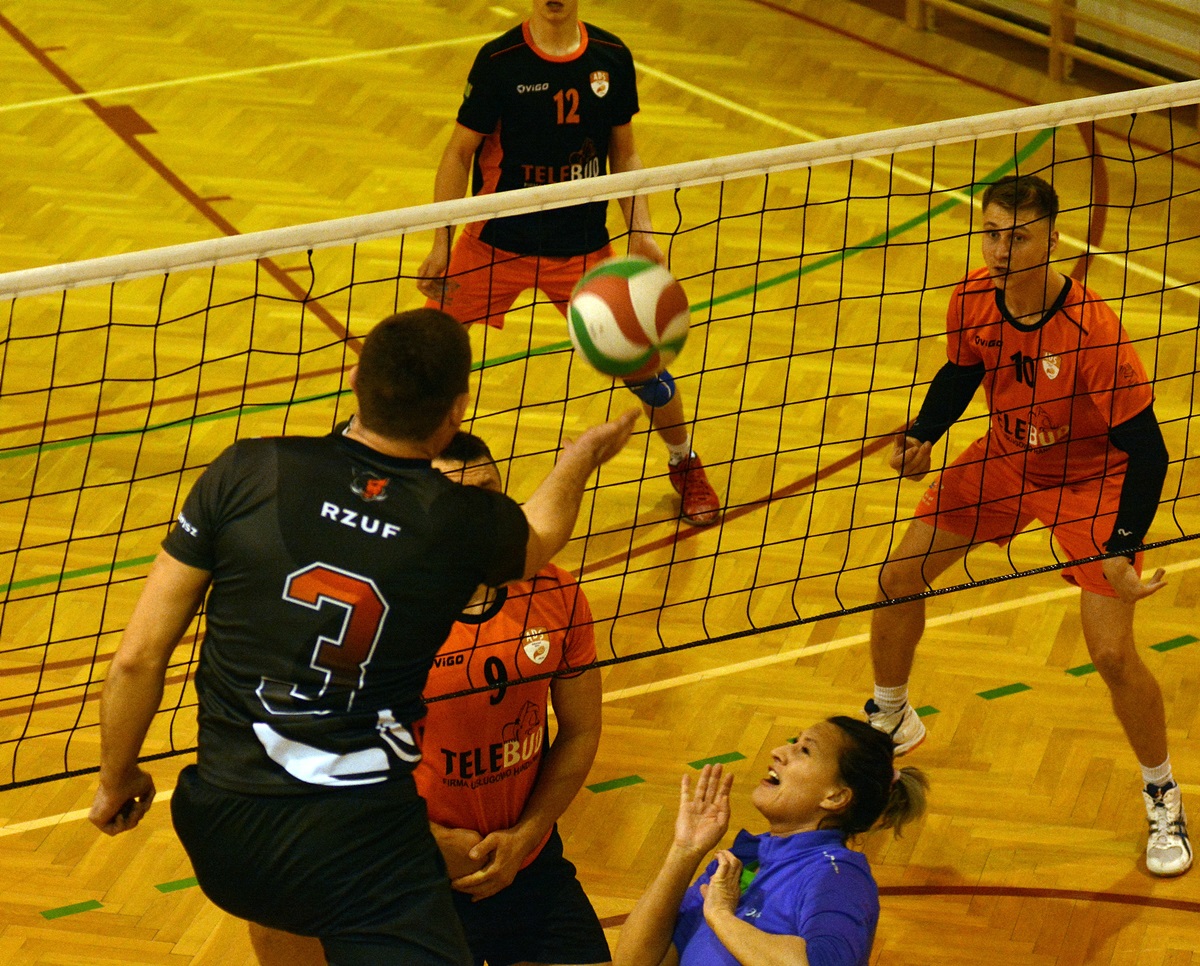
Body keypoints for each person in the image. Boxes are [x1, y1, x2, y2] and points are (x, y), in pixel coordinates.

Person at [88, 307, 638, 966]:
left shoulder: (248, 470)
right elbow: (541, 534)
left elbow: (136, 659)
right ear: (457, 408)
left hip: (223, 830)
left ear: (356, 380)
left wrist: (115, 778)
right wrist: (582, 457)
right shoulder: (454, 522)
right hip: (356, 844)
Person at [863, 173, 1190, 877]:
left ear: (1052, 240)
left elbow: (1150, 451)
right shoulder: (973, 296)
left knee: (1111, 654)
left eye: (1018, 238)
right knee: (896, 579)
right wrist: (924, 433)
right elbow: (962, 370)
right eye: (992, 235)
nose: (1001, 251)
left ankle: (1162, 793)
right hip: (1007, 458)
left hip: (1093, 481)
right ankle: (892, 715)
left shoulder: (1094, 332)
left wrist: (1122, 546)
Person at [247, 430, 611, 966]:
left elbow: (581, 731)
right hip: (406, 878)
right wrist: (430, 840)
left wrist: (526, 836)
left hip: (524, 864)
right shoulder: (368, 620)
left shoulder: (554, 592)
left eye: (487, 493)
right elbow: (319, 766)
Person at [416, 0, 721, 528]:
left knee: (642, 363)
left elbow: (624, 153)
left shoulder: (611, 56)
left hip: (580, 247)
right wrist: (441, 240)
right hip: (494, 243)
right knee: (422, 357)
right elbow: (458, 153)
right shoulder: (500, 60)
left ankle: (683, 461)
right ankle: (380, 463)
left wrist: (641, 230)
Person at [613, 718, 928, 965]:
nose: (778, 751)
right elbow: (636, 961)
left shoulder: (838, 877)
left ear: (835, 796)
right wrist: (684, 852)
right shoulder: (746, 858)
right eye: (794, 742)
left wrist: (721, 916)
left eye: (805, 751)